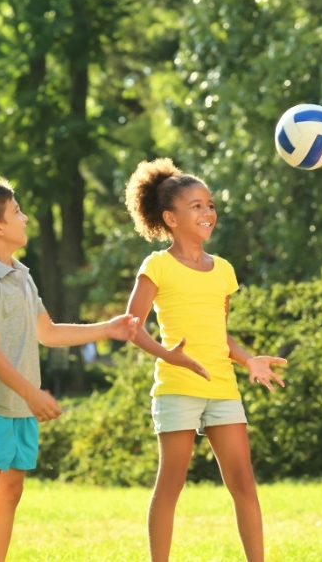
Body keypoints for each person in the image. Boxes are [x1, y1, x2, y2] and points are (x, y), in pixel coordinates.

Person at [0, 179, 139, 562]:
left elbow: (47, 332)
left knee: (10, 492)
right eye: (16, 211)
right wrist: (33, 393)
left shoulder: (22, 276)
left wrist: (107, 329)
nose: (25, 217)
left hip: (19, 407)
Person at [123, 157, 287, 562]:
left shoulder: (224, 271)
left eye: (209, 204)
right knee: (171, 484)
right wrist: (169, 357)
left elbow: (219, 333)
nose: (207, 212)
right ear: (170, 218)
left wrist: (248, 360)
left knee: (244, 484)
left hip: (222, 387)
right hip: (177, 387)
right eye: (195, 205)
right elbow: (132, 327)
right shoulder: (157, 265)